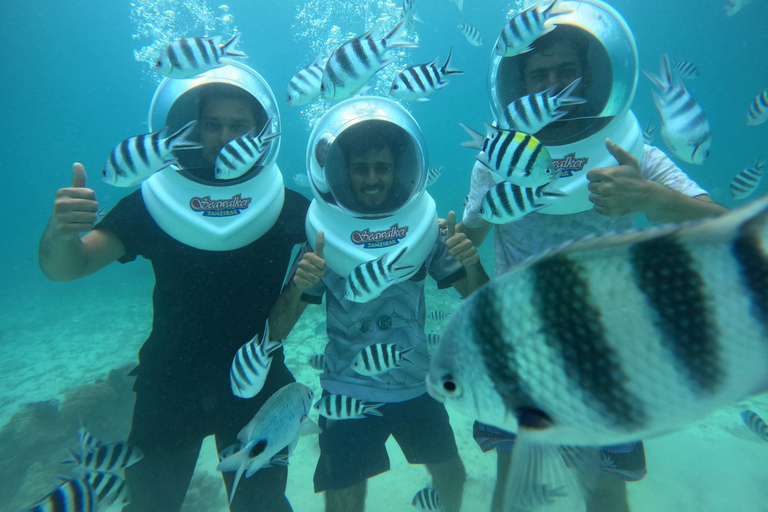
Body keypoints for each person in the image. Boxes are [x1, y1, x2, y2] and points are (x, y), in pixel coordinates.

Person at [457, 9, 728, 512]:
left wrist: (648, 196)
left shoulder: (628, 150)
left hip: (609, 354)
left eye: (566, 71)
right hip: (519, 350)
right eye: (539, 75)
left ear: (588, 76)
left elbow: (725, 229)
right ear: (519, 87)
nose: (553, 85)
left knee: (604, 490)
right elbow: (464, 244)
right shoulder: (497, 160)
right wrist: (448, 238)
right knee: (513, 485)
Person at [38, 63, 309, 512]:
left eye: (239, 126)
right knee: (150, 505)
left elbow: (344, 249)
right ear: (194, 129)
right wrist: (60, 235)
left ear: (262, 133)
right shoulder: (156, 200)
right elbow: (71, 266)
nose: (225, 137)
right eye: (212, 124)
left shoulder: (286, 205)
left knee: (261, 507)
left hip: (257, 377)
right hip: (169, 382)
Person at [270, 115, 489, 512]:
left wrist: (471, 262)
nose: (372, 178)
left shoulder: (424, 231)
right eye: (361, 168)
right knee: (344, 496)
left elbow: (483, 305)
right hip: (347, 386)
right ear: (343, 172)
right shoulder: (322, 237)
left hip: (416, 383)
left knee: (452, 476)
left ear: (399, 170)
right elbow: (278, 329)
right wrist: (297, 285)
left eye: (382, 167)